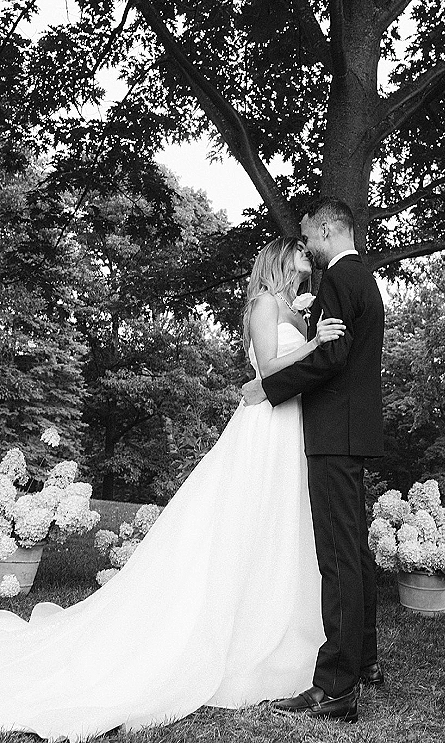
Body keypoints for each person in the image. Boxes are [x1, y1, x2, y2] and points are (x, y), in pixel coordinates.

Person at [0, 237, 346, 742]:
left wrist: (307, 325)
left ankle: (287, 633)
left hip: (292, 429)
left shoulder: (291, 305)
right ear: (279, 259)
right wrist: (314, 343)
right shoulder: (264, 303)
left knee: (282, 528)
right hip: (264, 429)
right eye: (298, 252)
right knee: (246, 523)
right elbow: (269, 368)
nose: (306, 258)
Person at [242, 197, 386, 724]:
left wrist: (270, 387)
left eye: (309, 234)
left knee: (339, 556)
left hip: (333, 433)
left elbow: (331, 358)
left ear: (327, 229)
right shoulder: (360, 278)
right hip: (349, 431)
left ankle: (336, 686)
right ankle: (364, 661)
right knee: (355, 551)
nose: (307, 244)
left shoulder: (338, 282)